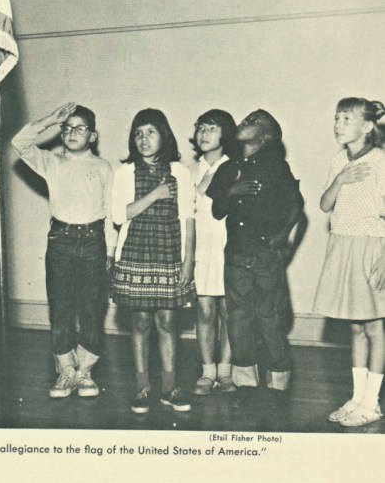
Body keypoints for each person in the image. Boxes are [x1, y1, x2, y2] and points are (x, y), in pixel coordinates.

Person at [12, 102, 117, 399]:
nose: (72, 132)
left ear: (92, 136)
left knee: (92, 307)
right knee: (61, 307)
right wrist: (49, 120)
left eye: (80, 128)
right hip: (61, 240)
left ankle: (85, 369)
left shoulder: (103, 167)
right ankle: (66, 370)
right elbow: (18, 142)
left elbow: (110, 211)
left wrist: (110, 250)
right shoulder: (51, 161)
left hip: (94, 241)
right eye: (68, 127)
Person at [206, 110, 304, 404]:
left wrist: (282, 238)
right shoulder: (229, 167)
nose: (244, 122)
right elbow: (217, 211)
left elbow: (296, 205)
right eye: (245, 119)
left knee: (268, 317)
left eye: (253, 122)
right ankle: (245, 380)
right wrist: (231, 191)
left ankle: (278, 381)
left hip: (265, 255)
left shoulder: (276, 167)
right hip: (235, 254)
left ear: (266, 137)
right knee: (237, 318)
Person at [111, 109, 195, 414]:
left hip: (169, 252)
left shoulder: (180, 172)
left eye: (150, 132)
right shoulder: (125, 172)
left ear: (164, 135)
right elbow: (119, 215)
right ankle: (142, 388)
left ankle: (170, 389)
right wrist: (156, 194)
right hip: (136, 253)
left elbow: (188, 219)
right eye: (138, 133)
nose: (143, 139)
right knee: (141, 321)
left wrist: (189, 261)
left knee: (168, 321)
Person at [313, 98, 385, 427]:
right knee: (355, 327)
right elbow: (325, 204)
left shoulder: (379, 161)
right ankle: (357, 398)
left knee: (375, 327)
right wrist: (340, 179)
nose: (338, 124)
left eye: (346, 119)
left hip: (371, 246)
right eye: (336, 118)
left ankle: (372, 403)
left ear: (367, 127)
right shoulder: (339, 160)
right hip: (342, 243)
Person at [189, 109, 238, 395]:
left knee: (229, 311)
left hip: (228, 246)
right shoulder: (187, 170)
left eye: (212, 128)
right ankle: (207, 372)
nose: (204, 134)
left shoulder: (235, 167)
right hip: (200, 248)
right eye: (201, 128)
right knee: (205, 310)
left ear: (225, 134)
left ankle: (226, 371)